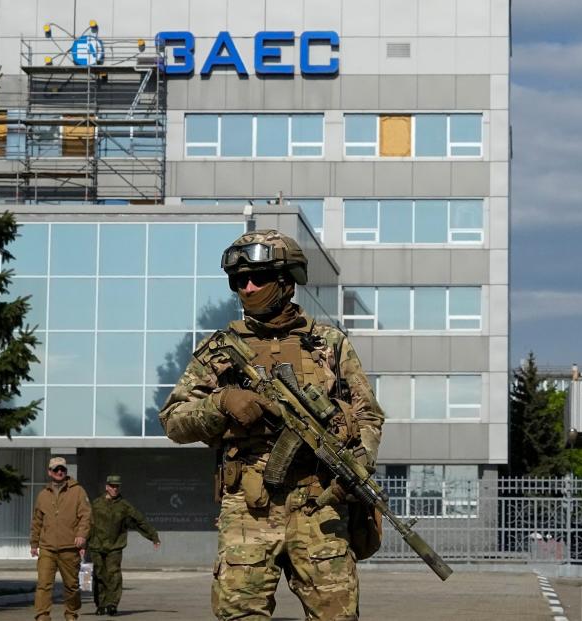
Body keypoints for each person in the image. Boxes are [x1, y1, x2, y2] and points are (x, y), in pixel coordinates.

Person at [159, 230, 385, 620]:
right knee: (240, 613)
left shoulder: (329, 344)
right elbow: (174, 420)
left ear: (285, 280)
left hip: (320, 504)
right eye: (238, 280)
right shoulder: (219, 351)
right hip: (248, 509)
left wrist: (356, 465)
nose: (246, 287)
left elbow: (368, 414)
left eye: (257, 277)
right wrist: (221, 402)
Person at [88, 474, 161, 616]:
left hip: (115, 546)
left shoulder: (124, 506)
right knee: (99, 575)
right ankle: (101, 604)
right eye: (112, 486)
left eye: (117, 486)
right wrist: (81, 545)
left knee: (114, 574)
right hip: (97, 545)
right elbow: (87, 524)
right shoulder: (96, 504)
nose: (115, 489)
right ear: (107, 487)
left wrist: (153, 536)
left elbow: (139, 521)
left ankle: (112, 604)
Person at [30, 456, 91, 621]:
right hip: (47, 548)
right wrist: (34, 543)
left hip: (69, 547)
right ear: (49, 472)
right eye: (56, 469)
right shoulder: (43, 494)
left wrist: (81, 535)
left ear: (66, 471)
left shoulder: (78, 491)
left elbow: (86, 516)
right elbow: (37, 521)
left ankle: (71, 614)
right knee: (43, 584)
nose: (59, 472)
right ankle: (42, 616)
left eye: (62, 469)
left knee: (71, 586)